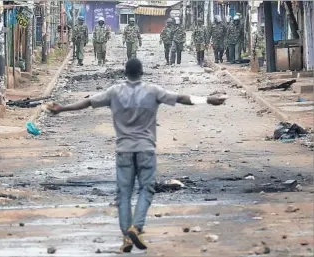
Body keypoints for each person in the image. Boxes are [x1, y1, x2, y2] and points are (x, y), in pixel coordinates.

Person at [45, 57, 228, 253]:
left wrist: (62, 109)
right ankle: (137, 226)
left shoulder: (114, 92)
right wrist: (208, 100)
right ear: (141, 73)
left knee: (123, 194)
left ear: (125, 73)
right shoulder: (152, 91)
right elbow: (181, 99)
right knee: (146, 190)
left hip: (123, 150)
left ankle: (127, 237)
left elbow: (88, 102)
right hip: (145, 149)